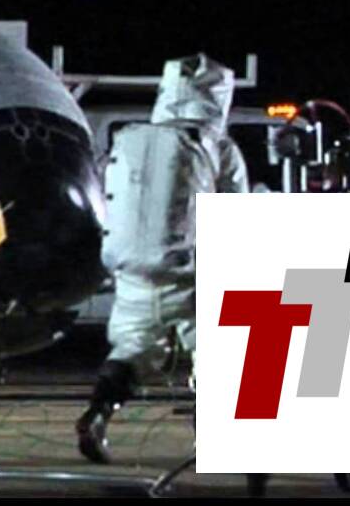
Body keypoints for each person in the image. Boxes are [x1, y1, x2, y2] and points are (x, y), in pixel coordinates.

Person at [77, 53, 248, 463]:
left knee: (133, 348)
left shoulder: (131, 138)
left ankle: (98, 413)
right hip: (188, 272)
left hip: (131, 270)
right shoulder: (216, 146)